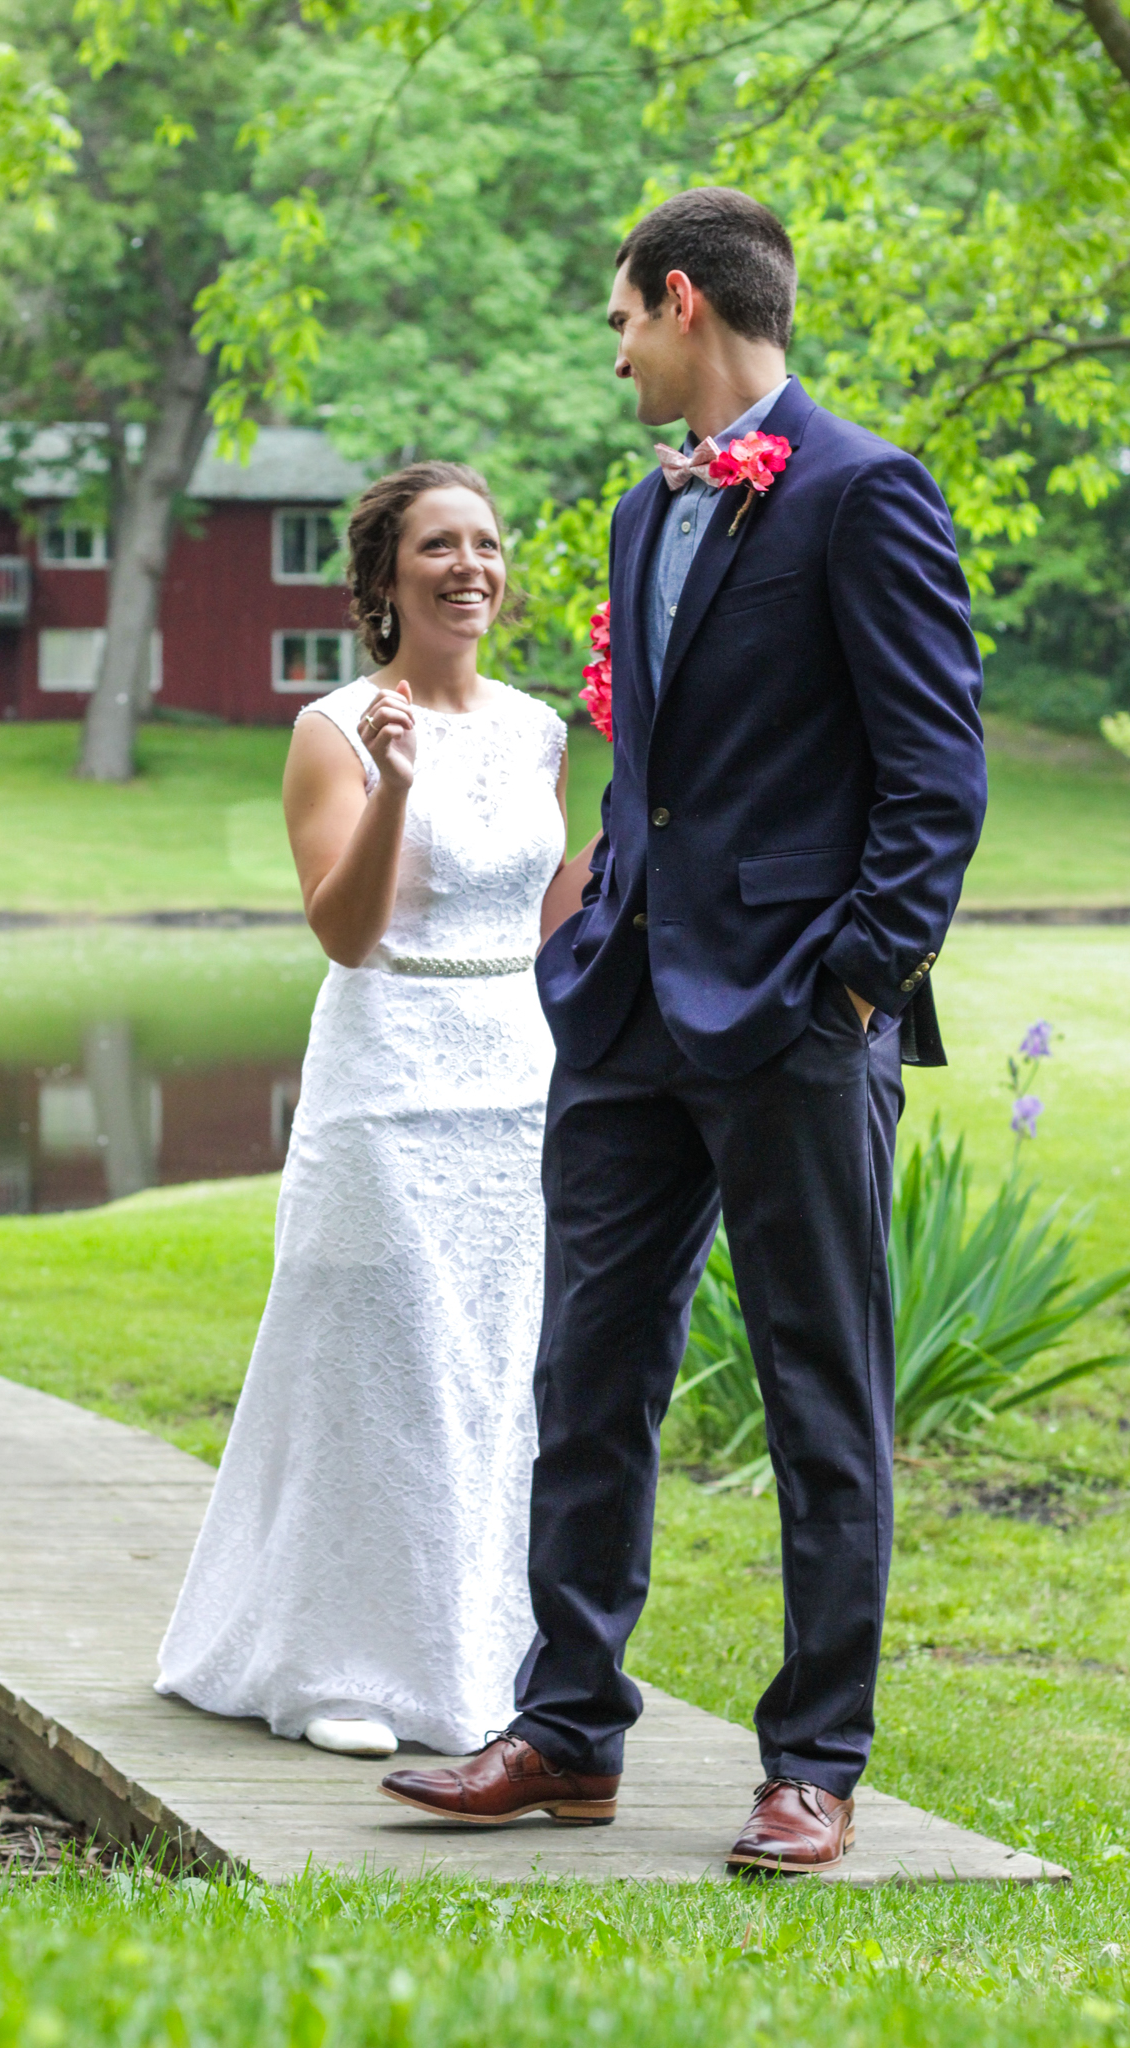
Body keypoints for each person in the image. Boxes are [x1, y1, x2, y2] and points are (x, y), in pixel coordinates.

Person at [379, 188, 987, 1866]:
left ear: (677, 303)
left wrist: (851, 983)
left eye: (620, 322)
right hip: (628, 1018)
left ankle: (814, 1764)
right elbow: (659, 766)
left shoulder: (865, 493)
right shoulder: (649, 517)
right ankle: (566, 1732)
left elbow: (935, 782)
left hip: (794, 1023)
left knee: (816, 1392)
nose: (615, 352)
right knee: (584, 1374)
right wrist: (596, 909)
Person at [157, 461, 591, 1759]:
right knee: (380, 1361)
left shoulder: (535, 729)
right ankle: (339, 1667)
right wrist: (397, 785)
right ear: (385, 577)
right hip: (388, 1081)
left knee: (489, 1368)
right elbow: (344, 933)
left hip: (516, 1080)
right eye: (438, 547)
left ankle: (482, 1656)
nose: (470, 566)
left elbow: (540, 923)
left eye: (487, 544)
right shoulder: (332, 729)